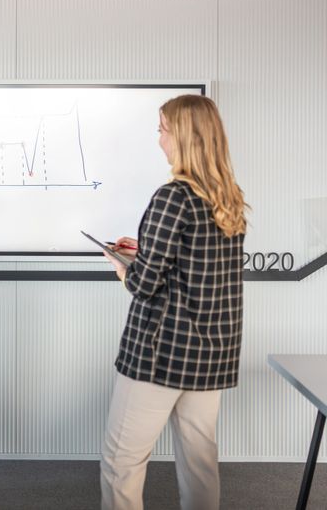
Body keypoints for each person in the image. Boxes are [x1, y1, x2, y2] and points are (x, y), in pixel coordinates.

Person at [100, 95, 247, 510]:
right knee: (199, 464)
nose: (158, 139)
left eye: (162, 129)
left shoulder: (172, 197)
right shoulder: (228, 198)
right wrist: (145, 245)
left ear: (182, 136)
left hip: (160, 354)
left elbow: (145, 283)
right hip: (210, 355)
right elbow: (196, 264)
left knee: (121, 463)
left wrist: (123, 266)